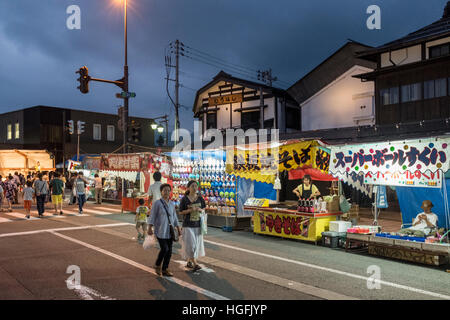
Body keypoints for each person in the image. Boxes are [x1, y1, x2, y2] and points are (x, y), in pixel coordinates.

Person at [147, 184, 181, 277]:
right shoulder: (157, 203)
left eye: (168, 190)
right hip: (160, 230)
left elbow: (174, 217)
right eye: (164, 190)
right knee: (164, 248)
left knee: (169, 251)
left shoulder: (172, 204)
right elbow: (152, 216)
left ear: (170, 192)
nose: (166, 192)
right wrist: (149, 227)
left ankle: (165, 269)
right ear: (161, 192)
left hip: (170, 231)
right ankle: (158, 265)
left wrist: (178, 228)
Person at [178, 180, 206, 272]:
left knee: (196, 245)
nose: (194, 188)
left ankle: (190, 261)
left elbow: (204, 209)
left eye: (196, 186)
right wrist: (190, 210)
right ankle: (196, 263)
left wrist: (200, 210)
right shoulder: (184, 199)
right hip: (188, 225)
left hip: (198, 225)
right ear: (188, 187)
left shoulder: (200, 198)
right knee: (191, 245)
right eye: (192, 186)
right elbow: (181, 211)